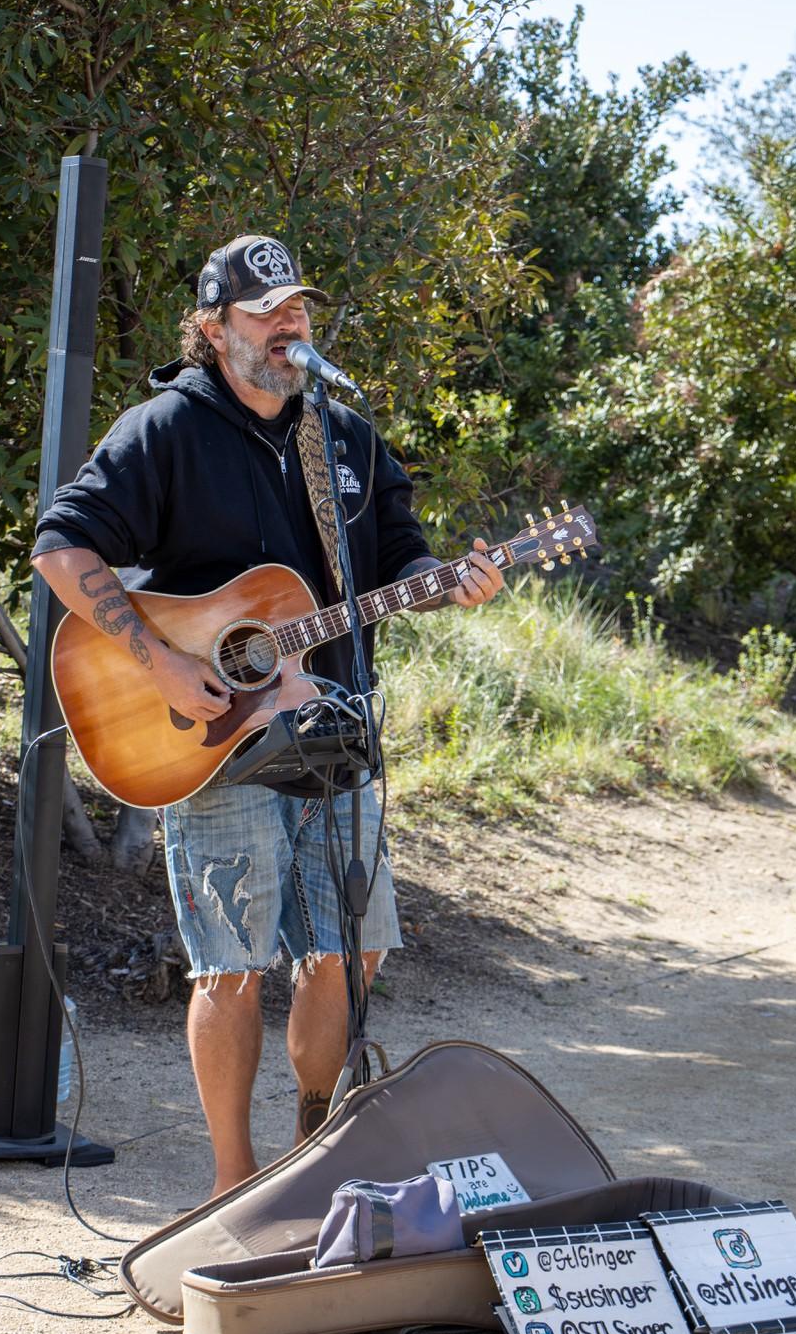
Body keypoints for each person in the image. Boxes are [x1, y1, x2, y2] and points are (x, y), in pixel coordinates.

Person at [32, 233, 504, 1197]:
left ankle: (313, 1154)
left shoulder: (346, 438)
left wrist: (448, 582)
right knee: (232, 965)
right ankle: (231, 1184)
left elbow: (398, 561)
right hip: (216, 743)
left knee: (349, 947)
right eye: (268, 311)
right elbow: (61, 547)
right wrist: (161, 662)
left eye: (299, 309)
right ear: (213, 328)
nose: (291, 326)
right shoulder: (165, 429)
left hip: (332, 730)